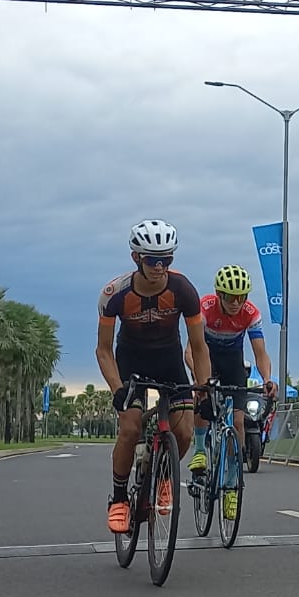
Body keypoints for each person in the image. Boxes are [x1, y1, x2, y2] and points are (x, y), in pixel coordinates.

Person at [96, 220, 210, 534]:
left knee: (185, 432)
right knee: (131, 427)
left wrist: (204, 389)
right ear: (136, 258)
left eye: (167, 260)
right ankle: (119, 498)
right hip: (131, 363)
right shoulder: (114, 294)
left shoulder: (183, 289)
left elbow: (198, 346)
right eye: (152, 260)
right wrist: (117, 388)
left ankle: (162, 477)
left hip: (169, 361)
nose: (160, 267)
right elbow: (103, 350)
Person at [186, 264, 276, 519]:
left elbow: (260, 352)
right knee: (203, 395)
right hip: (207, 359)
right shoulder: (204, 308)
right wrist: (200, 377)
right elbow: (190, 351)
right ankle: (201, 450)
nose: (236, 303)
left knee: (238, 421)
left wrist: (268, 379)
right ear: (218, 294)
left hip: (233, 363)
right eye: (230, 297)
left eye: (242, 297)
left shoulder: (250, 313)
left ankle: (232, 486)